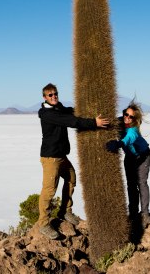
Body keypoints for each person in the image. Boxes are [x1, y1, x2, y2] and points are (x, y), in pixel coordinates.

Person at [37, 83, 109, 239]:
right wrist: (93, 123)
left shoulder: (58, 108)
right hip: (51, 158)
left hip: (61, 156)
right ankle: (43, 224)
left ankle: (65, 211)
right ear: (44, 97)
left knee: (71, 178)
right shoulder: (46, 113)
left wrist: (85, 106)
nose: (54, 96)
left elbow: (69, 112)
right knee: (49, 190)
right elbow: (72, 121)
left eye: (55, 93)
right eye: (50, 95)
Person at [107, 101, 150, 227]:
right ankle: (133, 213)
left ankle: (145, 214)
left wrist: (118, 144)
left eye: (130, 116)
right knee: (131, 185)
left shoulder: (133, 131)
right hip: (130, 157)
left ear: (135, 119)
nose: (127, 117)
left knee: (141, 183)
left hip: (143, 156)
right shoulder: (120, 121)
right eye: (126, 114)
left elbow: (128, 139)